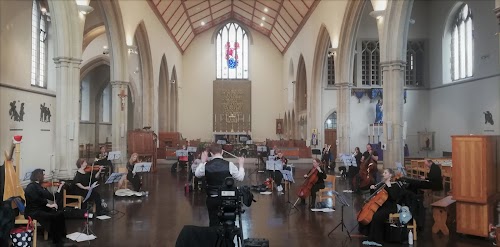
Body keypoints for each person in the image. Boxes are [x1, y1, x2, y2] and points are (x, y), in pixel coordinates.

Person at [195, 143, 245, 227]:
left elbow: (197, 174)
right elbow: (240, 177)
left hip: (212, 198)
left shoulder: (206, 165)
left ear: (211, 153)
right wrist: (241, 165)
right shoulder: (229, 165)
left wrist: (203, 161)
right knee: (229, 221)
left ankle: (214, 237)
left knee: (213, 221)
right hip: (227, 199)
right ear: (222, 152)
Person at [360, 168, 403, 246]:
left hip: (390, 207)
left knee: (377, 216)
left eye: (385, 173)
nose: (383, 174)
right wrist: (372, 189)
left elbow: (394, 197)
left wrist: (389, 186)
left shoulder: (395, 185)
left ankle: (378, 240)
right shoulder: (382, 184)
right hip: (382, 206)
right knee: (372, 215)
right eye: (383, 173)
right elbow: (376, 196)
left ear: (390, 175)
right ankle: (371, 237)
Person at [25, 169, 67, 247]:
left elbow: (52, 197)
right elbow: (36, 199)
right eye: (43, 175)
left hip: (41, 209)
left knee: (60, 213)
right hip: (33, 211)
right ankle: (56, 240)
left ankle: (61, 236)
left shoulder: (40, 186)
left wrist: (60, 187)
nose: (44, 177)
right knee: (53, 216)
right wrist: (50, 205)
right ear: (38, 176)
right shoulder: (31, 187)